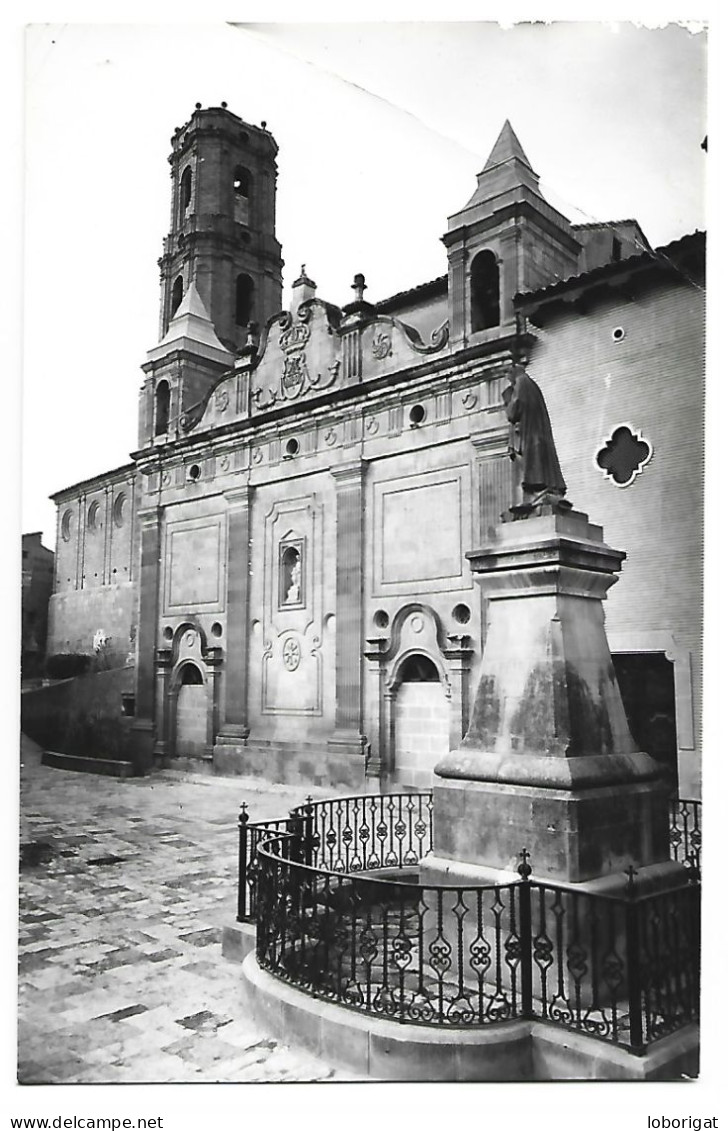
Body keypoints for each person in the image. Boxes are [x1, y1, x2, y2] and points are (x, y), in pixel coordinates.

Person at [503, 363, 567, 504]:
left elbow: (513, 411)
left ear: (513, 371)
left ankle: (536, 491)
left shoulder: (521, 382)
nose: (508, 378)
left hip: (529, 433)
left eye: (508, 374)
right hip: (536, 432)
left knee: (531, 464)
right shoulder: (531, 384)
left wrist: (507, 405)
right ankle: (542, 490)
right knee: (539, 464)